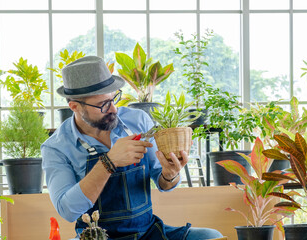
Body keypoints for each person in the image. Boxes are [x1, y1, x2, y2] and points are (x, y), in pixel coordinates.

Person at [41, 56, 223, 240]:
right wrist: (108, 162)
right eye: (102, 104)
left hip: (148, 233)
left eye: (113, 99)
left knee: (211, 236)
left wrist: (171, 174)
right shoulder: (56, 147)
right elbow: (67, 211)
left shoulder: (137, 120)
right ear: (75, 107)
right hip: (95, 237)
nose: (112, 109)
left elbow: (164, 183)